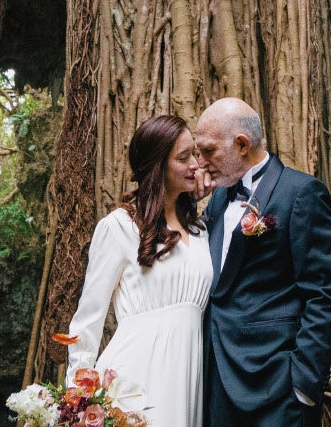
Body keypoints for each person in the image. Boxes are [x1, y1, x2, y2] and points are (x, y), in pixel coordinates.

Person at [195, 98, 331, 427]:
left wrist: (303, 384)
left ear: (242, 145)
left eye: (209, 151)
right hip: (217, 380)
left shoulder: (301, 193)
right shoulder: (218, 197)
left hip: (276, 386)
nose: (200, 163)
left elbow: (327, 294)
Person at [66, 114, 214, 427]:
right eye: (183, 158)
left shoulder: (201, 230)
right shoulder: (119, 227)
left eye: (194, 155)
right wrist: (77, 397)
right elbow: (88, 319)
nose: (195, 165)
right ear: (158, 166)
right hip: (133, 381)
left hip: (187, 378)